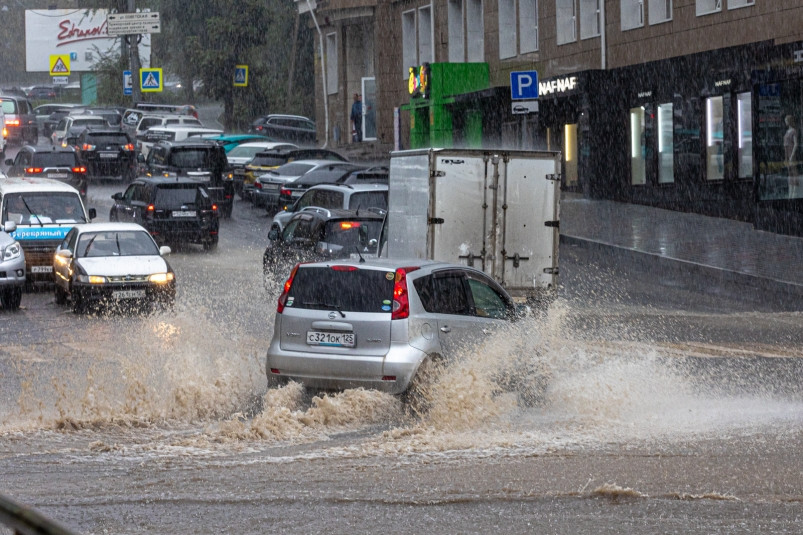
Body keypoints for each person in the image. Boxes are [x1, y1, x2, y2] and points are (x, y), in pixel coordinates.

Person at [785, 115, 799, 198]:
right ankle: (790, 192)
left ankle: (794, 192)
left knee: (794, 173)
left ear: (789, 121)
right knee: (790, 173)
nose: (785, 122)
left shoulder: (793, 131)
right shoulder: (788, 131)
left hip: (791, 153)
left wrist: (792, 156)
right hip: (787, 153)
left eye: (786, 120)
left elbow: (796, 144)